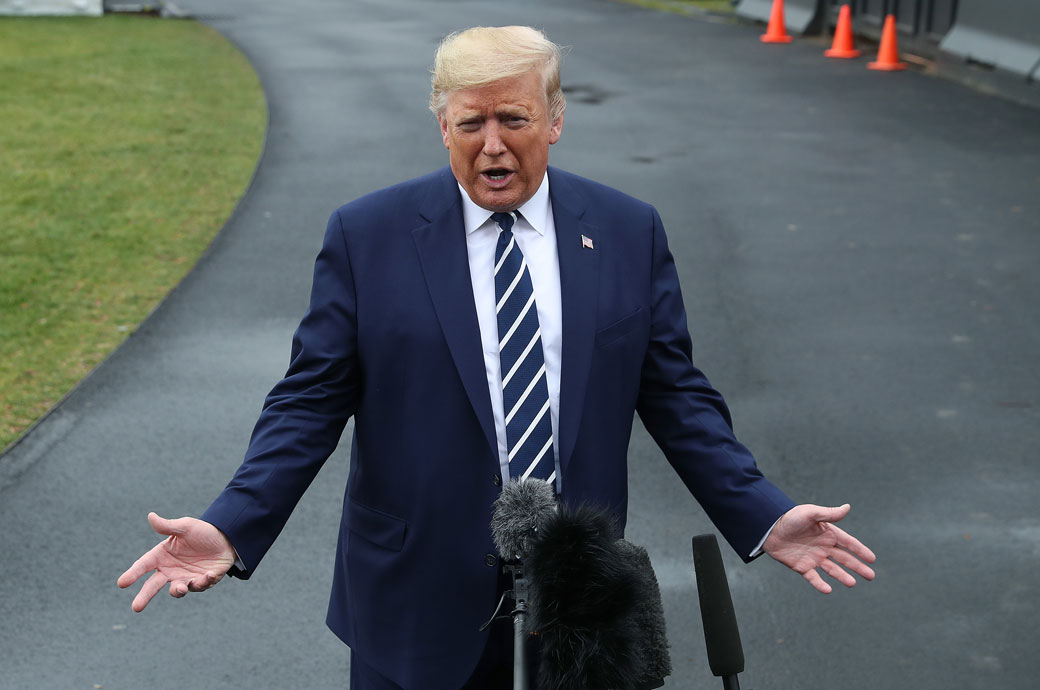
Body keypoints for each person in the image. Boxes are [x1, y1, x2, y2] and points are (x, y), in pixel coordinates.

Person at [118, 25, 876, 690]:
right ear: (440, 124)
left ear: (554, 120)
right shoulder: (367, 235)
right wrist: (233, 524)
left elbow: (675, 393)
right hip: (412, 601)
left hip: (576, 607)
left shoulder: (625, 231)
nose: (491, 144)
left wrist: (762, 512)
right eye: (469, 122)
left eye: (513, 118)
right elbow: (309, 400)